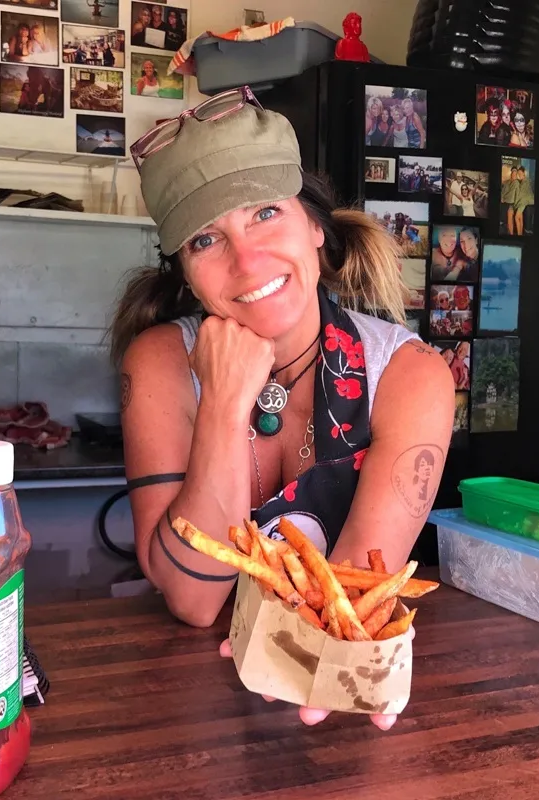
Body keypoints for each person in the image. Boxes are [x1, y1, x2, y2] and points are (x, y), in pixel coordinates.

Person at [110, 88, 454, 731]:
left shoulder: (409, 378)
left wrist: (308, 656)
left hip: (329, 706)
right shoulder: (159, 363)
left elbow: (348, 602)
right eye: (207, 238)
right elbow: (193, 599)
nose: (247, 261)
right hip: (187, 716)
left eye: (266, 212)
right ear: (186, 272)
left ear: (315, 226)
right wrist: (223, 403)